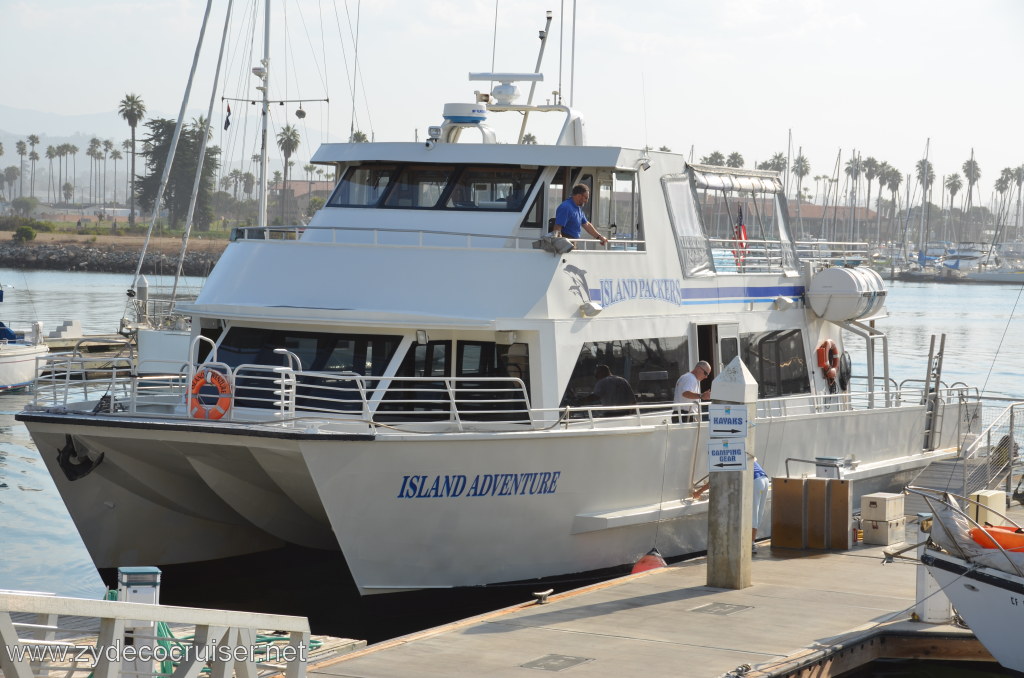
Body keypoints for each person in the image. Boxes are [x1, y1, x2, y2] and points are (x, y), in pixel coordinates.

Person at [690, 457, 770, 555]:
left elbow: (715, 479)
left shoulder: (727, 459)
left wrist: (698, 492)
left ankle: (751, 544)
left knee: (752, 514)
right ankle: (751, 542)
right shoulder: (739, 454)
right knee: (757, 513)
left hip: (754, 481)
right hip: (764, 479)